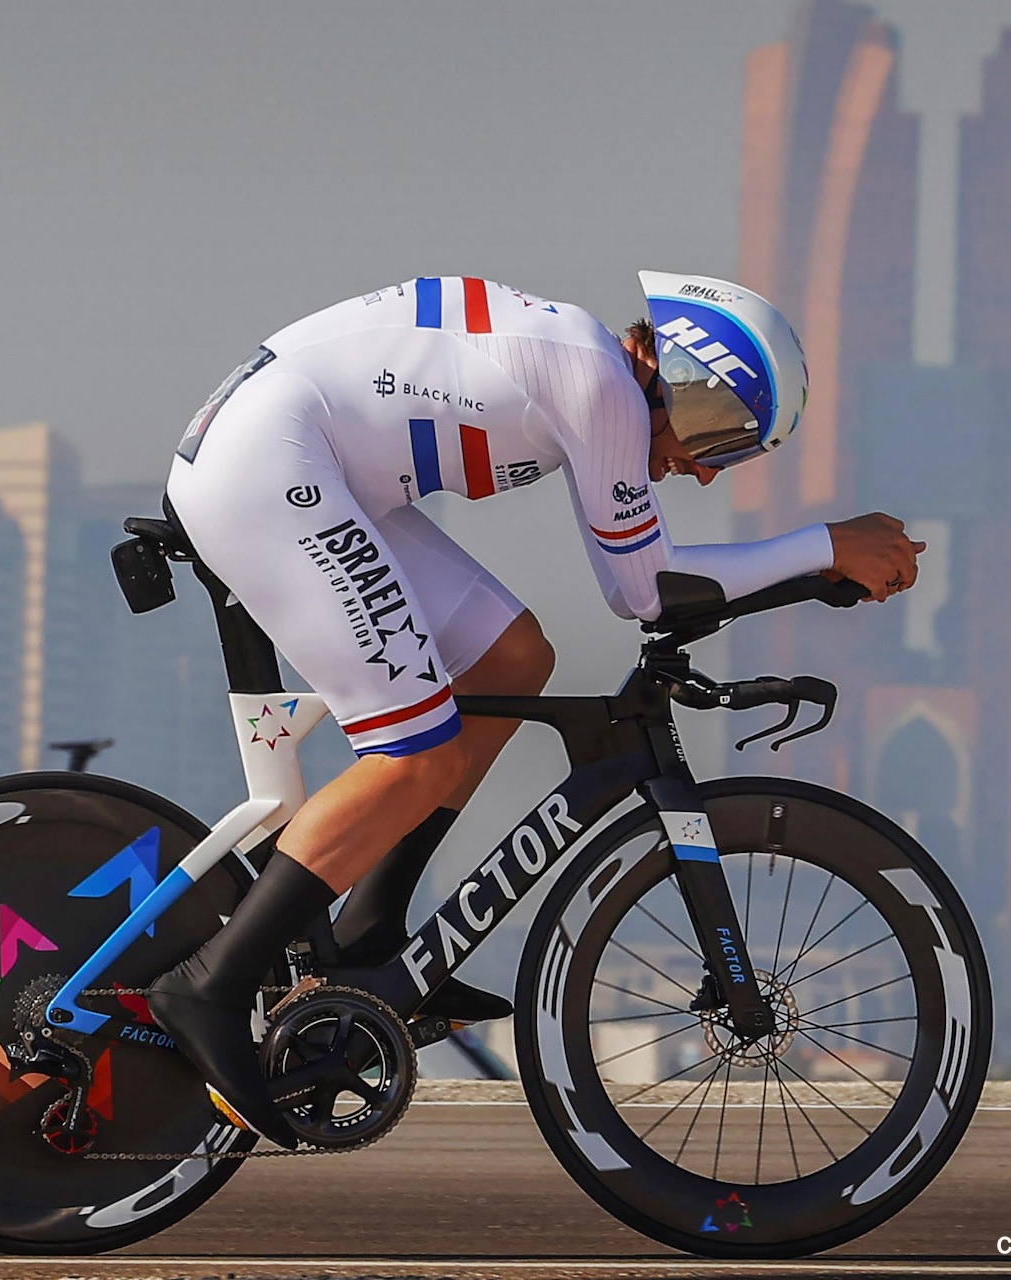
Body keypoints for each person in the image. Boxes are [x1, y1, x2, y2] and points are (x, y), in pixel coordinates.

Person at [149, 271, 925, 1146]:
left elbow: (650, 581)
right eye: (730, 441)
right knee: (416, 755)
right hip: (270, 467)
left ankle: (370, 938)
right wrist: (825, 544)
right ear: (697, 383)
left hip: (298, 458)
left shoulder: (589, 369)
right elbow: (645, 592)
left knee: (513, 658)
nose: (708, 472)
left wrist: (813, 568)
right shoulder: (599, 385)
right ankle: (209, 984)